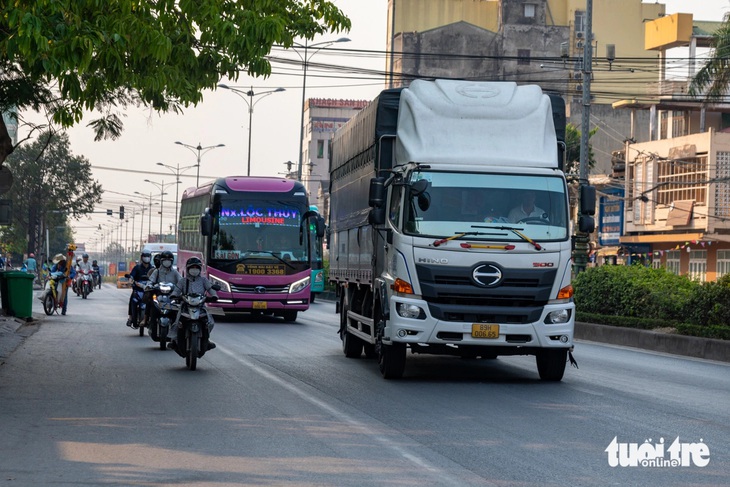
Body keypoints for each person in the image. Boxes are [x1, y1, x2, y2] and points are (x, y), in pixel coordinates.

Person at [169, 257, 218, 352]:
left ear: (200, 269)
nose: (194, 270)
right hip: (185, 307)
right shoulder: (183, 281)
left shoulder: (204, 280)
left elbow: (211, 289)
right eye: (192, 267)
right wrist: (174, 295)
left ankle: (206, 340)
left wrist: (214, 295)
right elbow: (176, 290)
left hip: (200, 306)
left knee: (210, 322)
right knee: (177, 322)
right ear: (188, 269)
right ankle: (174, 340)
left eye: (197, 267)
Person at [144, 251, 180, 326]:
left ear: (172, 261)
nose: (167, 262)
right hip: (159, 296)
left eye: (169, 260)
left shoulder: (175, 272)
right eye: (165, 260)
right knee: (151, 304)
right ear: (161, 261)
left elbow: (181, 282)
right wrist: (149, 286)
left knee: (179, 309)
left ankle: (178, 326)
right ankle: (148, 321)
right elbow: (151, 280)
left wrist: (181, 289)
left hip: (171, 296)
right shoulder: (157, 272)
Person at [127, 251, 153, 327]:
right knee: (132, 299)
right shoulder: (137, 268)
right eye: (145, 256)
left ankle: (152, 319)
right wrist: (130, 281)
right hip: (138, 289)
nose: (146, 258)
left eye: (148, 256)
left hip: (148, 290)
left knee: (154, 302)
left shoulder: (152, 269)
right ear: (142, 258)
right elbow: (131, 276)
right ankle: (130, 318)